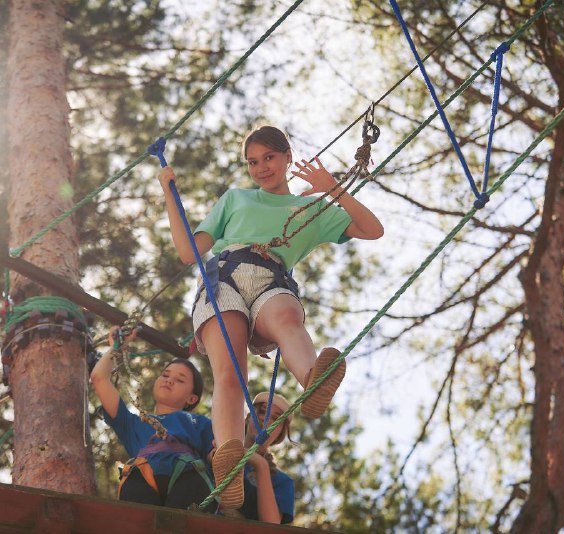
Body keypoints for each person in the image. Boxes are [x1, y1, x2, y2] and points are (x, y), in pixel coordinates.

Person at [158, 125, 384, 509]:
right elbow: (188, 252)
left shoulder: (310, 210)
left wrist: (332, 188)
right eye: (253, 162)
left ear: (287, 157)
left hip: (271, 279)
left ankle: (313, 381)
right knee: (231, 372)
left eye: (269, 158)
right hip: (224, 276)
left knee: (286, 317)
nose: (261, 168)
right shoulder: (235, 198)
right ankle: (227, 460)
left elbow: (372, 229)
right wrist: (169, 192)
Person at [90, 326, 216, 511]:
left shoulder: (199, 423)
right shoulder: (133, 423)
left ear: (192, 398)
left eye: (180, 380)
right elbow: (99, 377)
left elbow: (217, 456)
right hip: (142, 477)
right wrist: (117, 346)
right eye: (165, 375)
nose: (169, 380)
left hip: (188, 476)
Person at [239, 392, 296, 524]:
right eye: (262, 412)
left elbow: (271, 525)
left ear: (280, 434)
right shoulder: (220, 447)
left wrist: (261, 465)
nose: (267, 420)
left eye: (276, 419)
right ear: (248, 417)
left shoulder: (282, 482)